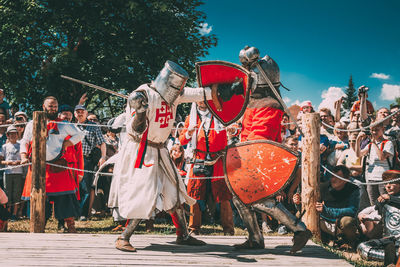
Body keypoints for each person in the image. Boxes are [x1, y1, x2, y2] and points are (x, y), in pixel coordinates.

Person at [108, 60, 224, 252]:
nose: (180, 91)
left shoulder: (174, 96)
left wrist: (222, 91)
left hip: (160, 150)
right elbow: (135, 130)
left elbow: (200, 93)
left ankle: (183, 235)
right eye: (177, 87)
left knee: (174, 191)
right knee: (144, 192)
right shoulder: (143, 95)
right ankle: (123, 236)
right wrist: (140, 111)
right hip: (141, 151)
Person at [227, 46, 311, 252]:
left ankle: (299, 229)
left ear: (262, 79)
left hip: (260, 159)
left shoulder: (271, 104)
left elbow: (259, 138)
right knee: (240, 198)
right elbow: (248, 132)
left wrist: (239, 147)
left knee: (259, 199)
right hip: (249, 157)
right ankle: (255, 238)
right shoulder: (253, 103)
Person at [20, 96, 84, 232]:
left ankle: (70, 226)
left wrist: (67, 143)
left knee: (65, 198)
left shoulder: (63, 124)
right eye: (50, 106)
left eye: (55, 106)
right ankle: (39, 226)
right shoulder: (32, 123)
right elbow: (25, 141)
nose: (53, 109)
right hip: (38, 166)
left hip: (58, 166)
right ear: (44, 107)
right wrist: (23, 155)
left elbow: (80, 135)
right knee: (38, 198)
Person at [179, 101, 234, 236]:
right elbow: (181, 140)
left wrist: (233, 129)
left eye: (204, 98)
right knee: (194, 195)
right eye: (199, 98)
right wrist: (188, 133)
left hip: (218, 160)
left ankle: (228, 229)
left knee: (223, 195)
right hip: (198, 159)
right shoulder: (190, 118)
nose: (202, 101)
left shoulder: (220, 115)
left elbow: (234, 127)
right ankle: (194, 229)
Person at [357, 169, 400, 266]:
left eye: (392, 183)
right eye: (386, 183)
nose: (388, 186)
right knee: (363, 247)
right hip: (389, 240)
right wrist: (363, 216)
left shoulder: (388, 198)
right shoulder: (383, 200)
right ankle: (393, 260)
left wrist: (391, 199)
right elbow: (375, 212)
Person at [74, 105, 106, 220]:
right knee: (74, 188)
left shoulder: (94, 126)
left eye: (82, 111)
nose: (80, 113)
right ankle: (73, 213)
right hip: (73, 161)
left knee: (86, 189)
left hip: (87, 160)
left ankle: (83, 214)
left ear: (86, 113)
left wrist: (103, 157)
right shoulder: (72, 127)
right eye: (78, 112)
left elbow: (102, 143)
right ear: (75, 114)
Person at [317, 165, 360, 249]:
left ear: (346, 180)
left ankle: (350, 242)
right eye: (333, 176)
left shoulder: (353, 189)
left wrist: (327, 211)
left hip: (341, 223)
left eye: (337, 177)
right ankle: (322, 239)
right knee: (299, 214)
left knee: (347, 221)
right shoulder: (323, 187)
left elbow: (352, 210)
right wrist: (298, 203)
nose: (333, 179)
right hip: (325, 221)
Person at [356, 122, 394, 205]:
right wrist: (358, 139)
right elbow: (358, 154)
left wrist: (374, 143)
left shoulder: (388, 143)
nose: (374, 132)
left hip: (383, 179)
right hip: (371, 178)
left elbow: (382, 157)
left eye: (376, 130)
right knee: (373, 203)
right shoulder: (369, 145)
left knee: (385, 203)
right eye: (372, 130)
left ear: (383, 130)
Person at [0, 125, 23, 221]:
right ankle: (8, 212)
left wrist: (18, 162)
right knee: (7, 192)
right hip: (8, 172)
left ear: (18, 135)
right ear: (7, 135)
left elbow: (24, 158)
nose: (13, 136)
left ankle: (15, 213)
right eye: (11, 134)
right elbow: (1, 160)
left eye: (15, 133)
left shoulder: (21, 145)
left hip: (18, 172)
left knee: (17, 193)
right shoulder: (4, 147)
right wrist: (8, 163)